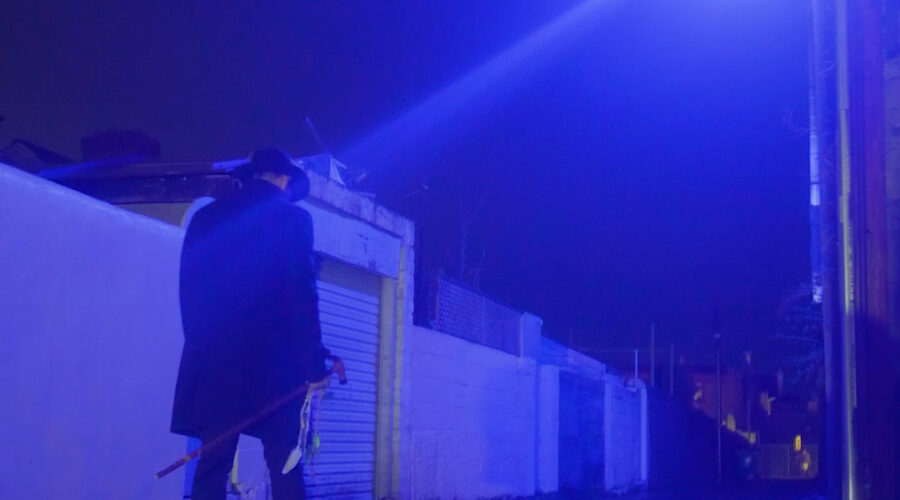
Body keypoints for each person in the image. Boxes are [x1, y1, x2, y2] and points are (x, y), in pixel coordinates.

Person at [170, 148, 329, 500]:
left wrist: (204, 349)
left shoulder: (207, 218)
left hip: (217, 368)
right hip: (276, 371)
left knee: (212, 465)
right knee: (285, 464)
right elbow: (300, 297)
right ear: (283, 178)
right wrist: (314, 365)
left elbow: (189, 292)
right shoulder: (293, 220)